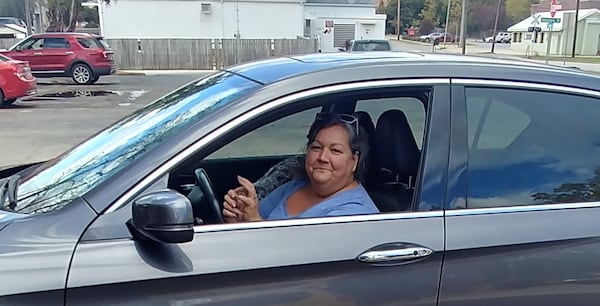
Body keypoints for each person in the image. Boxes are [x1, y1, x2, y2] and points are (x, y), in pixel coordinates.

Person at [222, 112, 379, 222]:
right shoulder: (296, 185)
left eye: (335, 151)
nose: (322, 158)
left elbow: (295, 260)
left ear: (354, 161)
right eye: (316, 148)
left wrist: (253, 222)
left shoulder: (355, 213)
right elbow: (255, 219)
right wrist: (238, 216)